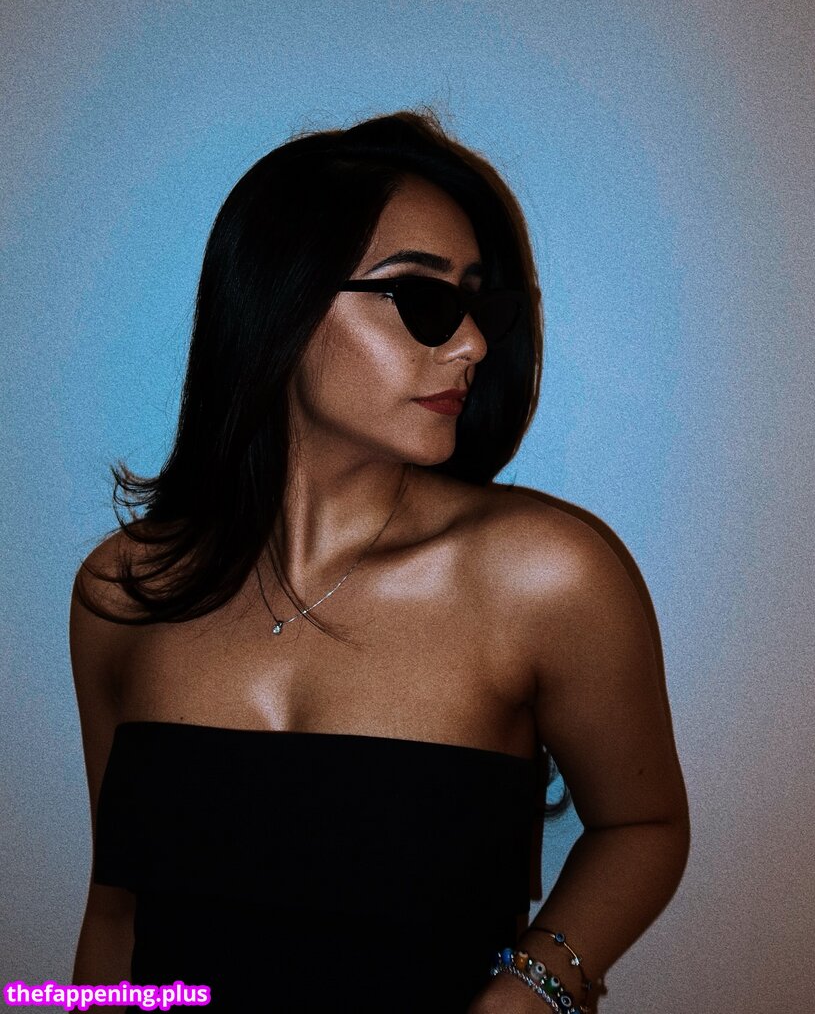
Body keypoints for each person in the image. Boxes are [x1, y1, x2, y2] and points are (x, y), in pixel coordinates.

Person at [70, 110, 689, 1013]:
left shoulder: (543, 578)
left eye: (481, 306)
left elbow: (643, 823)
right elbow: (116, 909)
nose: (473, 343)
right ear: (280, 303)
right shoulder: (124, 591)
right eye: (424, 299)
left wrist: (530, 990)